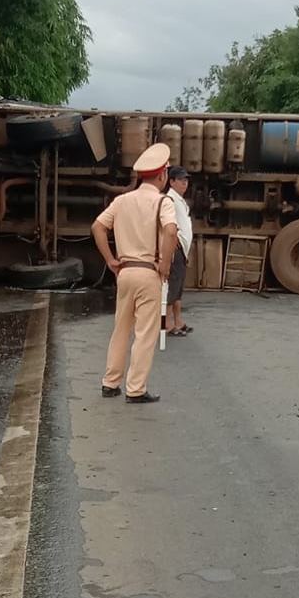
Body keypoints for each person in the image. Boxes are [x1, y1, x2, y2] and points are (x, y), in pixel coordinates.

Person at [92, 143, 179, 403]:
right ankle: (136, 388)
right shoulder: (163, 202)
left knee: (121, 328)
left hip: (125, 272)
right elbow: (172, 231)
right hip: (148, 273)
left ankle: (110, 383)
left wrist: (110, 260)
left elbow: (97, 227)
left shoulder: (122, 200)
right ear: (163, 175)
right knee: (145, 333)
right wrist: (164, 265)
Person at [165, 166, 193, 336]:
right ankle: (167, 324)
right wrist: (172, 236)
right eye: (181, 180)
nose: (185, 183)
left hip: (183, 248)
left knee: (179, 287)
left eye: (186, 180)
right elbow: (164, 221)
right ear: (172, 181)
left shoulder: (179, 200)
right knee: (173, 285)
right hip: (176, 248)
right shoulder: (169, 199)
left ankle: (178, 321)